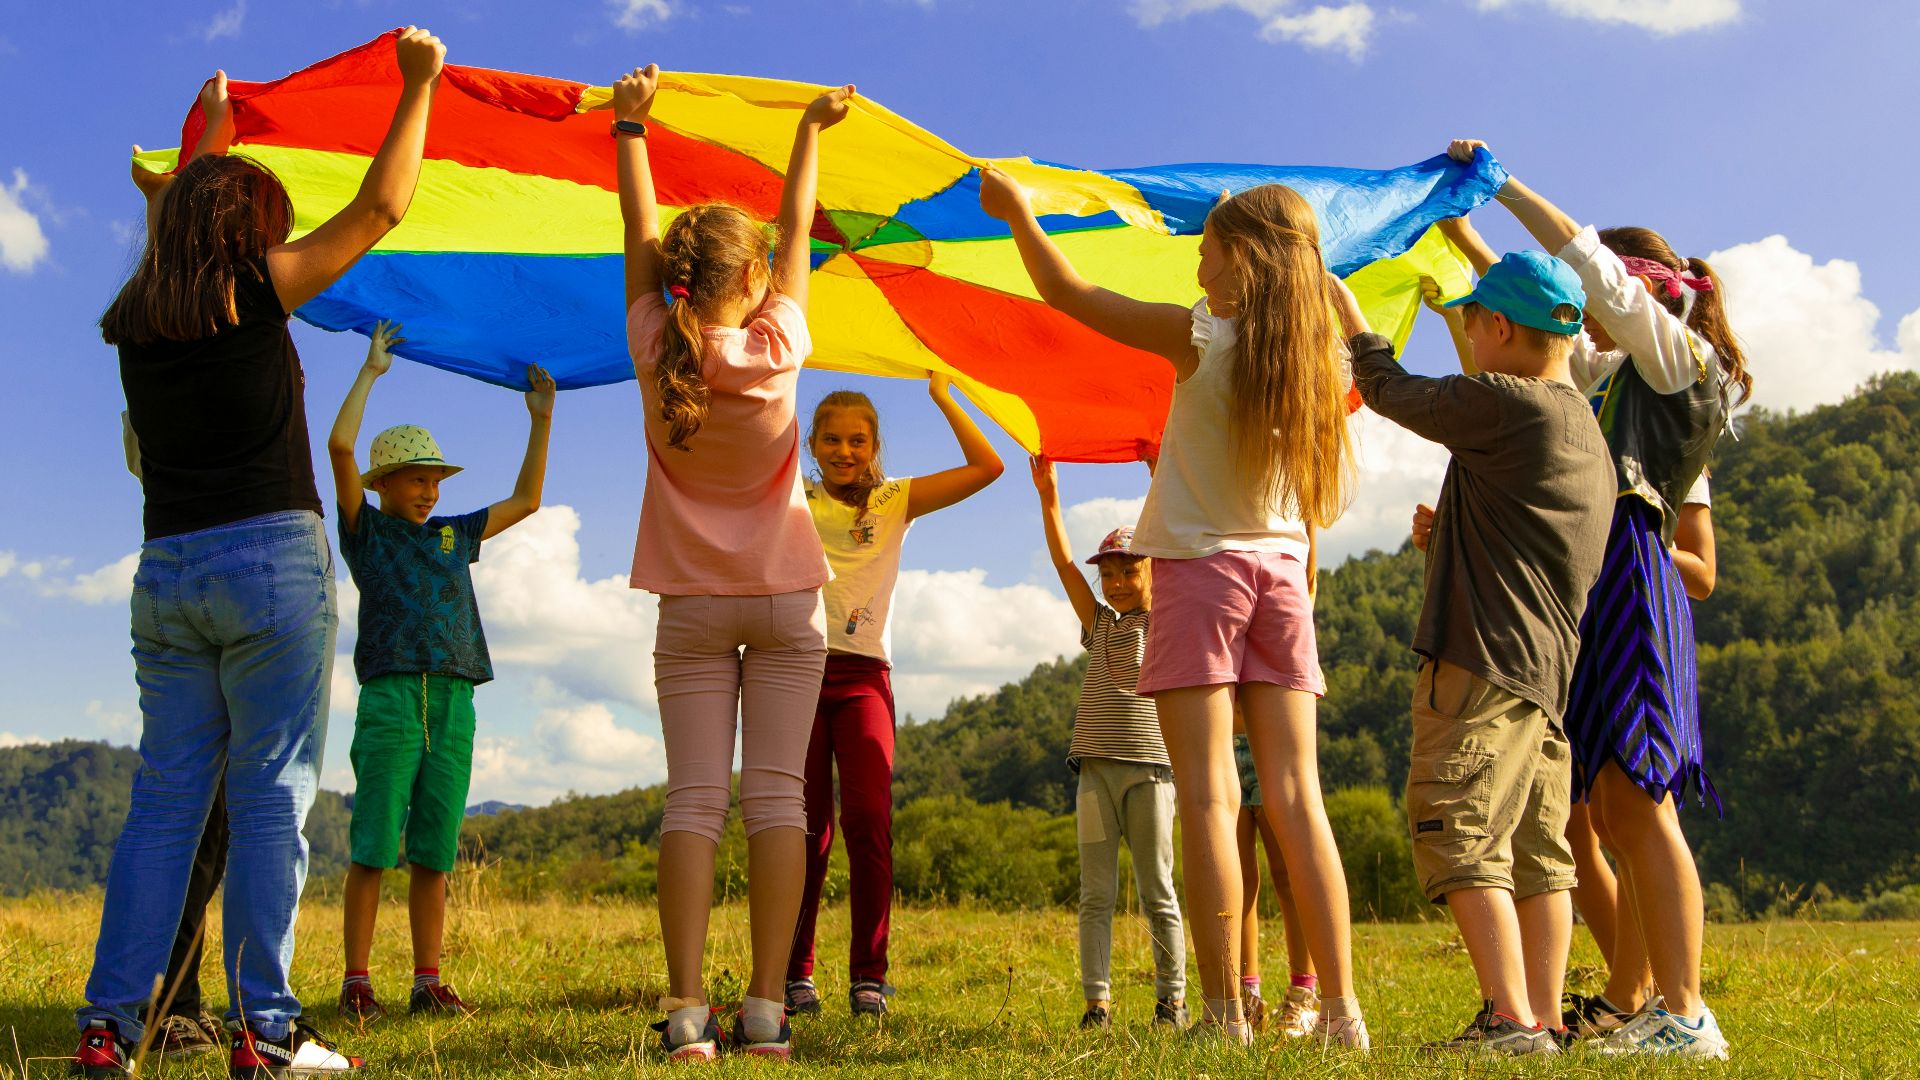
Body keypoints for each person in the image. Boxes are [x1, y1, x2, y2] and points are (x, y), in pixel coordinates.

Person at [76, 28, 445, 1078]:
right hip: (270, 569)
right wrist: (416, 86)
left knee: (163, 803)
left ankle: (109, 1029)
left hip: (168, 576)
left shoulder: (140, 314)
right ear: (246, 231)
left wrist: (214, 131)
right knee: (271, 795)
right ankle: (268, 1031)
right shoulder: (255, 290)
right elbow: (381, 208)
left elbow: (175, 224)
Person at [979, 171, 1367, 1047]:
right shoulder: (1325, 360)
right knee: (1302, 797)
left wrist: (1020, 215)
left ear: (1241, 259)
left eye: (1209, 243)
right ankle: (1344, 1012)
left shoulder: (1202, 337)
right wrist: (1327, 288)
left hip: (1199, 572)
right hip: (1281, 576)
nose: (1197, 253)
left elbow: (1067, 291)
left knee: (1206, 797)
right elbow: (1349, 324)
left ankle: (1226, 1012)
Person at [1452, 140, 1751, 1059]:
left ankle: (1686, 1011)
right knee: (1614, 805)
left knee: (1641, 802)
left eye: (1603, 299)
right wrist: (1461, 235)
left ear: (1639, 294)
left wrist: (1502, 189)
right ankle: (1656, 1003)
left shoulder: (1674, 360)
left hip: (1634, 573)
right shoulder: (1608, 373)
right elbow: (1539, 326)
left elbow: (1580, 267)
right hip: (1591, 577)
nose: (1586, 319)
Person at [615, 62, 853, 1062]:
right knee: (779, 803)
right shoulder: (781, 344)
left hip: (690, 608)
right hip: (787, 601)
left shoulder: (650, 342)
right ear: (754, 282)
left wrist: (632, 128)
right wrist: (809, 129)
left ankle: (683, 1011)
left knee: (694, 803)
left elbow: (636, 241)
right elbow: (800, 231)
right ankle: (763, 1008)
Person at [1337, 249, 1615, 1055]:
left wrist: (1350, 316)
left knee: (1460, 829)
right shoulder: (1579, 429)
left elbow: (1389, 390)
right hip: (1541, 675)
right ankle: (1545, 1020)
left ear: (1498, 325)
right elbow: (1528, 546)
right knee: (1537, 856)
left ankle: (1506, 1017)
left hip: (1482, 663)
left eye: (1471, 326)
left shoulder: (1511, 404)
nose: (1470, 341)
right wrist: (1450, 536)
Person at [328, 322, 556, 1022]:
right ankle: (357, 981)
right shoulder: (366, 533)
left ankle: (428, 980)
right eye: (416, 480)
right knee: (373, 846)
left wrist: (540, 420)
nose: (428, 491)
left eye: (434, 480)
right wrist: (370, 373)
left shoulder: (456, 534)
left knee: (434, 851)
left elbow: (527, 501)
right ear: (385, 486)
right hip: (392, 698)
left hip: (456, 698)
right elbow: (339, 447)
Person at [784, 379, 1003, 1018]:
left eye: (857, 439)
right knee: (806, 833)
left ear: (876, 444)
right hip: (796, 673)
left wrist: (944, 394)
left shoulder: (894, 499)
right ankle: (797, 974)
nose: (844, 449)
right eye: (831, 438)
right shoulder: (793, 495)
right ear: (812, 444)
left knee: (869, 823)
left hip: (863, 679)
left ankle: (868, 978)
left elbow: (987, 467)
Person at [1029, 461, 1186, 1034]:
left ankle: (1172, 1000)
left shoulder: (1167, 618)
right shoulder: (1097, 623)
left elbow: (1177, 542)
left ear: (1151, 571)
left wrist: (1161, 478)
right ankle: (1097, 1003)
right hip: (1094, 774)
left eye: (1130, 570)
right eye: (1111, 575)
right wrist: (1050, 499)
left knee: (1157, 891)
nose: (1118, 582)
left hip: (1149, 772)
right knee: (1096, 893)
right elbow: (1065, 565)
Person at [1230, 701, 1318, 1038]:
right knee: (1237, 882)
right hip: (1223, 741)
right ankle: (1248, 999)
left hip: (1270, 739)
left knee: (1287, 875)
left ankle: (1302, 994)